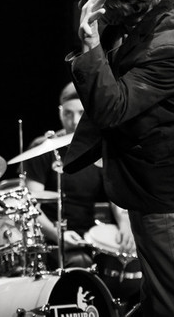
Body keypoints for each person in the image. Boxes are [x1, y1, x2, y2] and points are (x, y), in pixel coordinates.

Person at [42, 0, 174, 315]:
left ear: (128, 8)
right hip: (146, 183)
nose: (92, 11)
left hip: (165, 195)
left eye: (102, 10)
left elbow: (113, 108)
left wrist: (91, 43)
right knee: (159, 301)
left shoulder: (173, 48)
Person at [23, 82, 135, 271]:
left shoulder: (100, 150)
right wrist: (58, 235)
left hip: (87, 238)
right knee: (80, 265)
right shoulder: (43, 149)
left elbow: (115, 195)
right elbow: (30, 205)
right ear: (60, 112)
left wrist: (125, 223)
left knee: (130, 262)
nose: (74, 121)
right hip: (50, 239)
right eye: (68, 113)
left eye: (81, 113)